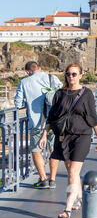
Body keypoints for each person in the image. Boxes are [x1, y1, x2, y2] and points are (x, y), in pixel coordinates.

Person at [39, 63, 97, 218]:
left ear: (81, 75)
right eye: (68, 74)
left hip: (82, 136)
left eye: (74, 74)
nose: (71, 77)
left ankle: (67, 208)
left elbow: (92, 117)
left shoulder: (86, 93)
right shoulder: (60, 94)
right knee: (71, 171)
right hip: (63, 136)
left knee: (73, 172)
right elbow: (52, 116)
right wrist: (44, 134)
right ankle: (78, 197)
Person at [14, 61, 62, 189]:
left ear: (27, 72)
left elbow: (18, 103)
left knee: (36, 150)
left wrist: (28, 103)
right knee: (53, 150)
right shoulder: (52, 78)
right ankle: (52, 179)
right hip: (54, 121)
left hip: (37, 123)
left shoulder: (24, 82)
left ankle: (43, 179)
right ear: (39, 68)